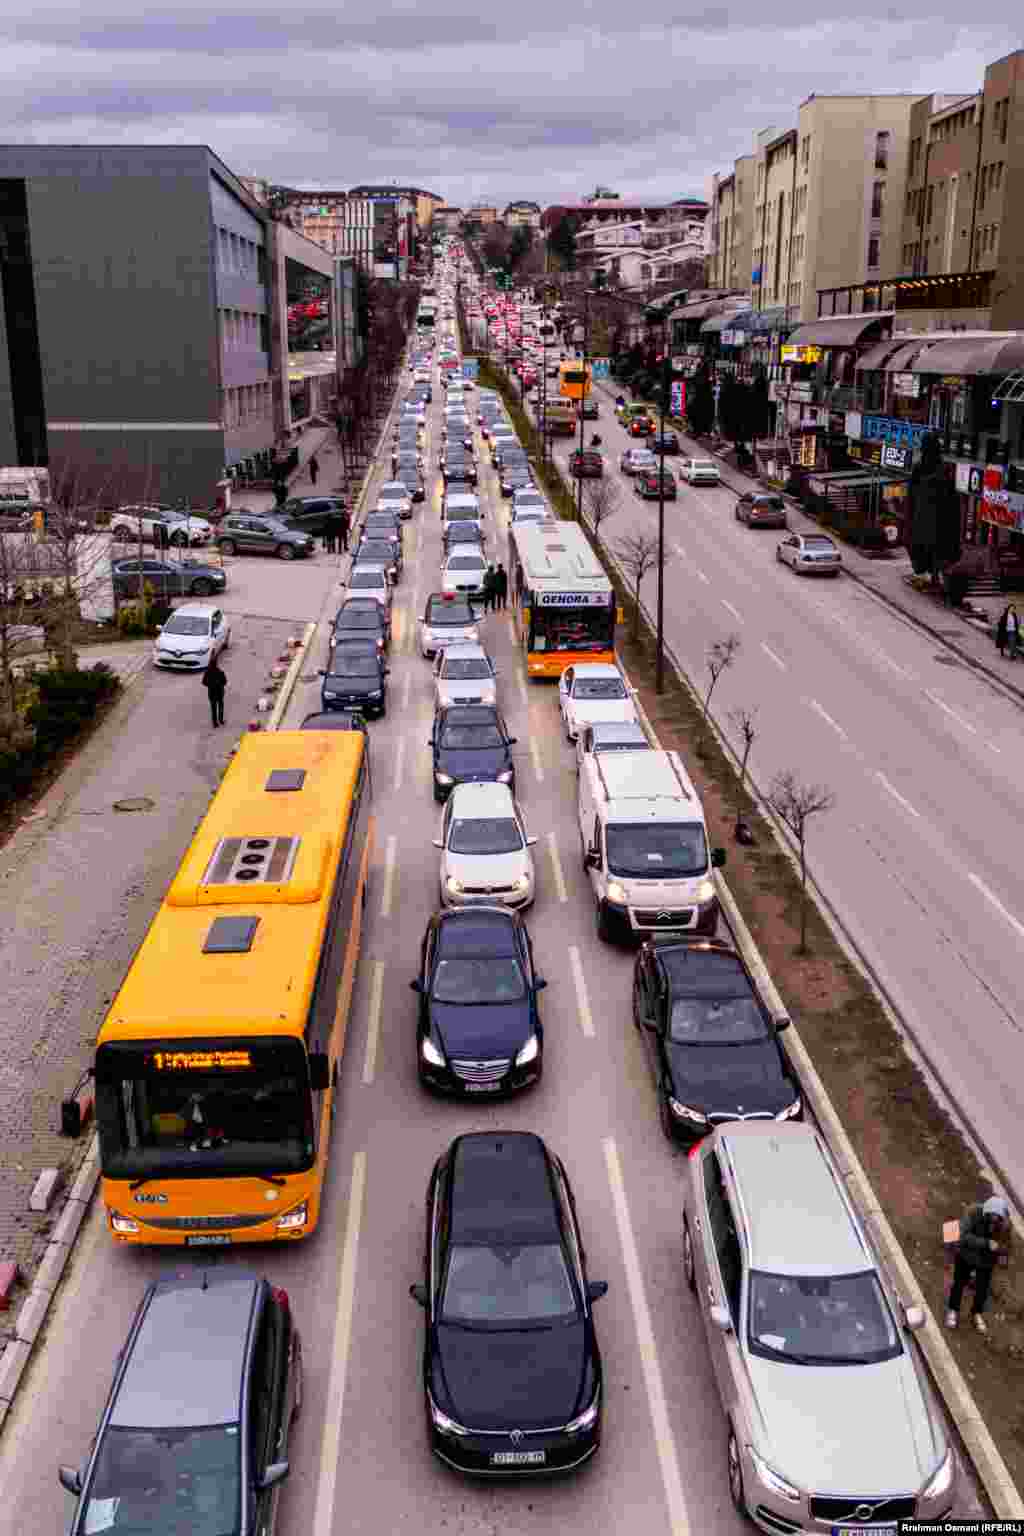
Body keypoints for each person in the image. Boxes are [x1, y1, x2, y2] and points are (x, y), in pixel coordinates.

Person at [946, 1194, 1010, 1333]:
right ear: (987, 1211)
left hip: (986, 1262)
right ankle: (953, 1310)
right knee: (959, 1283)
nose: (994, 1219)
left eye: (997, 1217)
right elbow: (962, 1236)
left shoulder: (1004, 1224)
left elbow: (1006, 1245)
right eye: (992, 1215)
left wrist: (1001, 1252)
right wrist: (986, 1243)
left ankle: (976, 1313)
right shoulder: (973, 1212)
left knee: (982, 1289)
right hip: (966, 1256)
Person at [201, 657, 227, 728]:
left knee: (213, 708)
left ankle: (215, 723)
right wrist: (220, 684)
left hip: (211, 693)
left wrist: (210, 685)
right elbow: (224, 682)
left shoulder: (207, 673)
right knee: (221, 706)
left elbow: (203, 682)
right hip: (219, 692)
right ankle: (221, 720)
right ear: (216, 664)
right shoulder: (220, 672)